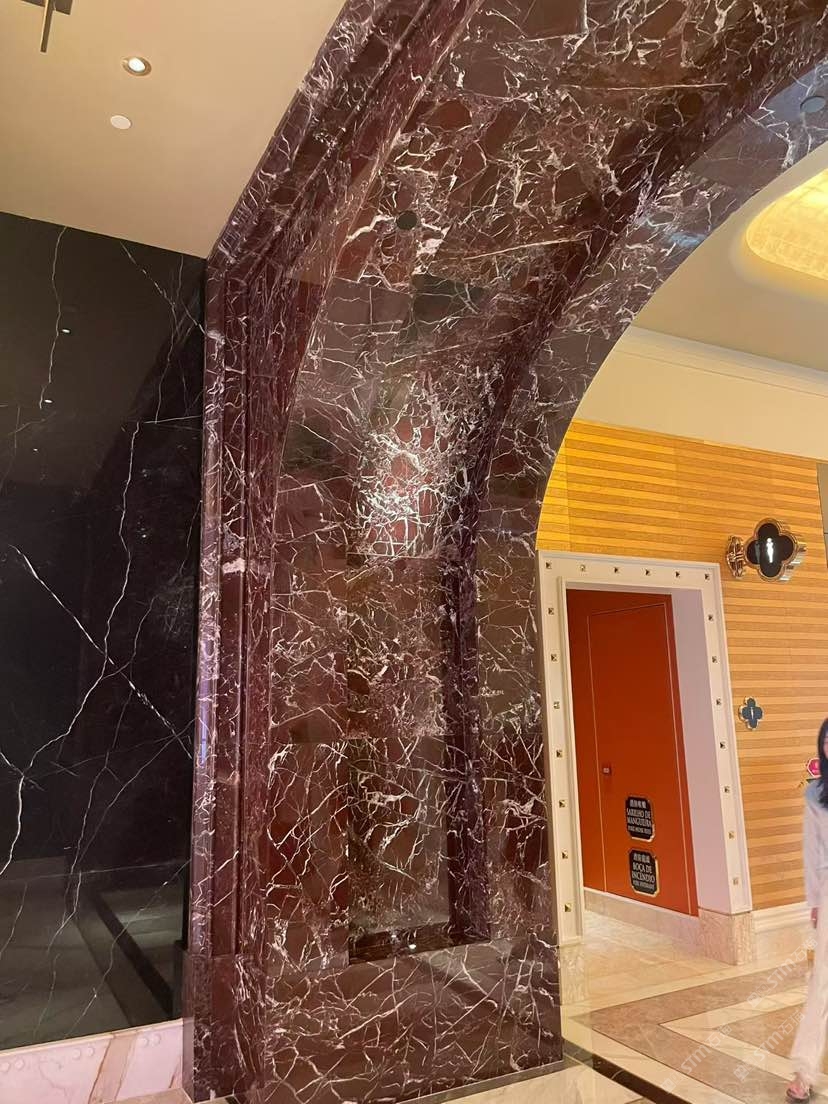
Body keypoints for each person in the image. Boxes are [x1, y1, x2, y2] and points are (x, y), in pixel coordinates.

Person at [787, 720, 828, 1102]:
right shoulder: (817, 793)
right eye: (826, 740)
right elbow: (812, 851)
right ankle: (804, 1070)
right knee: (822, 981)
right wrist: (815, 901)